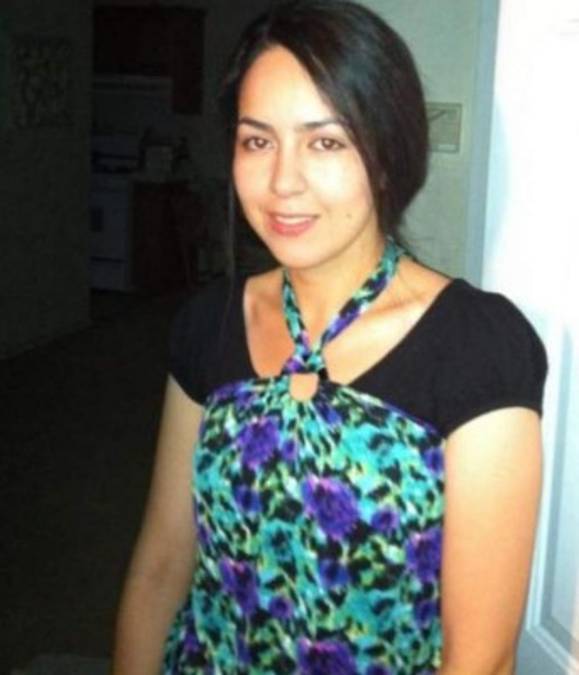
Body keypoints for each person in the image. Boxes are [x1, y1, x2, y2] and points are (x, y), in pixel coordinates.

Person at [112, 2, 547, 674]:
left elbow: (481, 660)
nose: (283, 182)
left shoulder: (478, 347)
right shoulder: (207, 323)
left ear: (386, 155)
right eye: (257, 141)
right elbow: (161, 567)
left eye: (325, 142)